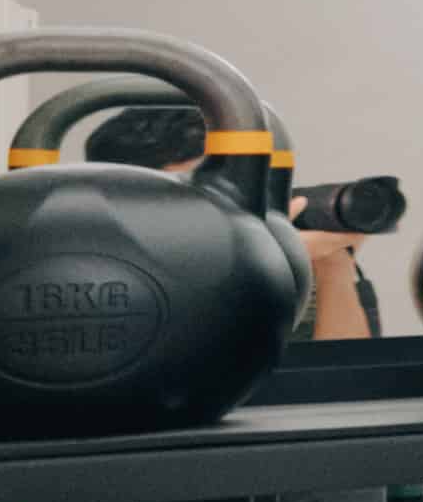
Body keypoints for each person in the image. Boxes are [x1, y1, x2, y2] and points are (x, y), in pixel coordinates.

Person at [86, 99, 380, 338]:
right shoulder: (93, 278)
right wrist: (248, 266)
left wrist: (335, 265)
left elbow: (348, 377)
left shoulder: (293, 265)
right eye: (196, 196)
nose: (220, 209)